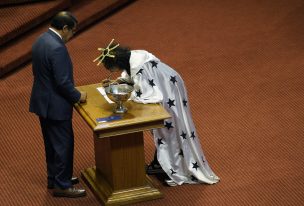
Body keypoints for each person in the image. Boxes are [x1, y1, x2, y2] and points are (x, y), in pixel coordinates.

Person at [94, 39, 220, 186]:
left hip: (169, 92)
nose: (111, 72)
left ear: (117, 62)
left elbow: (150, 94)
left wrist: (130, 94)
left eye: (111, 69)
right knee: (168, 129)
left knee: (170, 128)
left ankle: (175, 168)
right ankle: (161, 164)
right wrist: (120, 81)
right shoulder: (133, 57)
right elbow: (135, 78)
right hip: (169, 85)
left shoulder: (140, 67)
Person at [29, 11, 87, 198]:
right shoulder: (58, 48)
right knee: (63, 145)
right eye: (72, 31)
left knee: (51, 144)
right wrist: (78, 96)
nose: (72, 35)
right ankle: (62, 186)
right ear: (64, 29)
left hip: (42, 102)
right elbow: (62, 82)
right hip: (56, 105)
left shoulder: (41, 39)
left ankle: (54, 178)